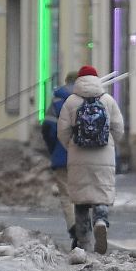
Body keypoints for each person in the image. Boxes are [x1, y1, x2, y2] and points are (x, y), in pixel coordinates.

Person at [55, 66, 123, 256]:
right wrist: (109, 143)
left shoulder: (71, 102)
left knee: (81, 199)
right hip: (104, 154)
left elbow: (62, 131)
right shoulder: (108, 100)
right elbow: (118, 128)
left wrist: (71, 146)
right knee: (101, 193)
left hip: (78, 155)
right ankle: (101, 220)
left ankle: (84, 242)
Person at [41, 70, 80, 245]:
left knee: (66, 194)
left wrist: (54, 148)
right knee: (84, 193)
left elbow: (47, 128)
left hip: (62, 155)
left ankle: (74, 227)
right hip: (85, 156)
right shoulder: (88, 99)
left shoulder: (57, 100)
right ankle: (86, 226)